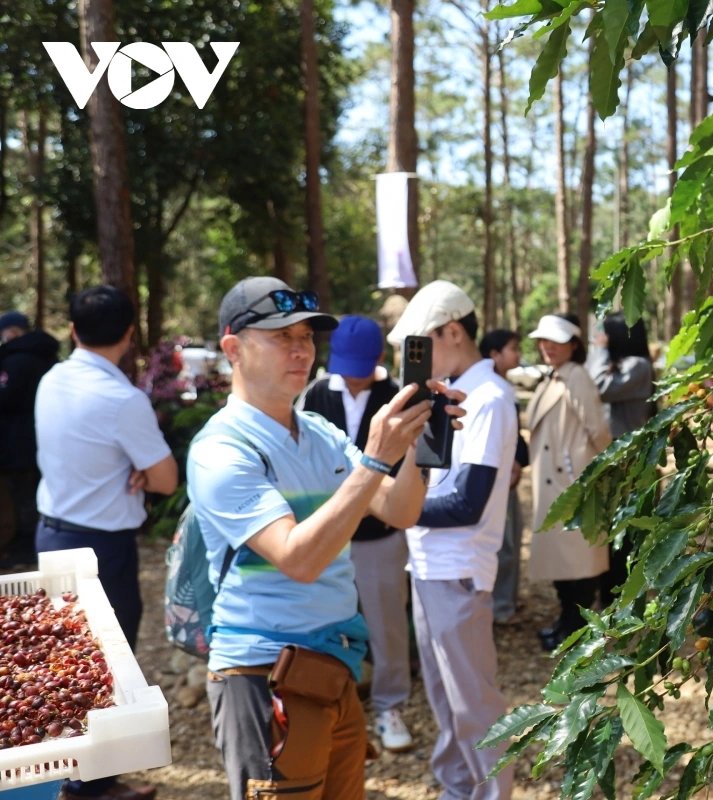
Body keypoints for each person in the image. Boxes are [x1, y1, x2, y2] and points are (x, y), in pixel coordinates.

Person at [189, 277, 458, 800]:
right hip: (263, 671)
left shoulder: (320, 432)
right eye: (281, 337)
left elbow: (399, 510)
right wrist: (375, 458)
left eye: (307, 337)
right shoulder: (221, 450)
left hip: (333, 665)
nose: (301, 350)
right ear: (233, 349)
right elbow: (299, 560)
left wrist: (420, 445)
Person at [34, 287, 177, 800]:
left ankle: (60, 772)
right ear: (129, 334)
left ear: (73, 330)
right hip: (101, 548)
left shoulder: (51, 379)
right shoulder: (123, 399)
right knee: (106, 667)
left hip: (51, 533)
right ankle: (90, 786)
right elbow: (166, 479)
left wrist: (134, 466)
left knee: (60, 659)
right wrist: (140, 468)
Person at [387, 281, 518, 800]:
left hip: (458, 567)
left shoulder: (489, 397)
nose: (415, 358)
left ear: (454, 332)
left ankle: (489, 794)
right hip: (429, 565)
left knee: (473, 705)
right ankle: (457, 788)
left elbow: (468, 503)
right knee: (445, 700)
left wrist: (395, 508)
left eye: (421, 344)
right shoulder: (452, 394)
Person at [298, 315, 413, 752]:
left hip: (379, 533)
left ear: (379, 359)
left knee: (387, 623)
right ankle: (326, 701)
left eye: (360, 368)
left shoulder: (396, 395)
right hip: (326, 532)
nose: (351, 377)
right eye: (344, 367)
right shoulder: (316, 393)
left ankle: (390, 703)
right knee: (323, 621)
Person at [526, 313, 613, 652]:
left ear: (574, 344)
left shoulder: (576, 376)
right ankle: (566, 622)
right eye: (543, 340)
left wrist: (592, 473)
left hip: (571, 483)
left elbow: (598, 430)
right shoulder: (554, 376)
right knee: (563, 563)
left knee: (578, 563)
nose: (547, 346)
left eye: (556, 340)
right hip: (556, 484)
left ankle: (575, 629)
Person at [587, 313, 654, 598]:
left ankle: (620, 596)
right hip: (613, 457)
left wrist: (599, 351)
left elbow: (596, 387)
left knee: (624, 531)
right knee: (607, 529)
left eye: (606, 333)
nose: (600, 338)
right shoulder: (620, 365)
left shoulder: (638, 366)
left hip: (628, 461)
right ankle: (608, 593)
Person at [479, 329, 530, 625]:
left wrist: (519, 461)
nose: (518, 354)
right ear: (494, 354)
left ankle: (505, 602)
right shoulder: (490, 390)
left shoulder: (503, 387)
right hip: (496, 478)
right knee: (505, 544)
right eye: (513, 348)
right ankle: (499, 608)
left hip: (506, 476)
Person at [0, 311, 58, 567]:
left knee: (22, 496)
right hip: (41, 438)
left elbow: (6, 398)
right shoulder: (46, 357)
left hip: (16, 443)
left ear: (12, 331)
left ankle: (26, 548)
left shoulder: (15, 361)